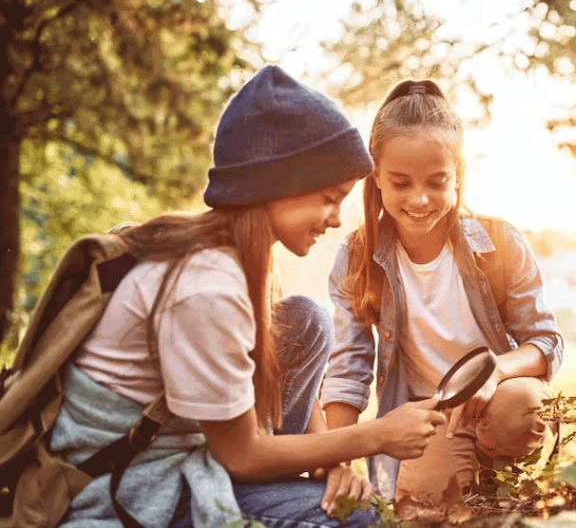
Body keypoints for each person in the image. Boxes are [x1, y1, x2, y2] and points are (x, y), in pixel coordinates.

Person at [49, 66, 446, 528]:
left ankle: (292, 485)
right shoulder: (206, 285)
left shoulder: (238, 259)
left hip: (187, 453)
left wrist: (333, 463)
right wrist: (373, 437)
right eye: (327, 198)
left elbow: (268, 391)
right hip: (131, 487)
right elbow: (239, 454)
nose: (336, 219)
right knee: (355, 521)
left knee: (304, 319)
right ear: (276, 185)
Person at [320, 79, 563, 506]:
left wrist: (496, 372)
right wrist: (338, 459)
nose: (419, 199)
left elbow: (545, 342)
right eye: (400, 183)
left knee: (517, 412)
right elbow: (348, 369)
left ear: (458, 177)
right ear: (376, 175)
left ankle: (502, 477)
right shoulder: (357, 257)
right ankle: (467, 483)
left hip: (501, 399)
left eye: (436, 182)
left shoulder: (500, 242)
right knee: (431, 506)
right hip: (429, 416)